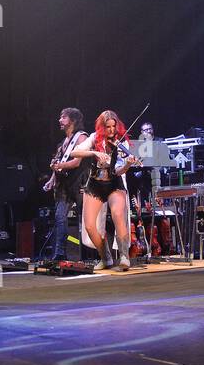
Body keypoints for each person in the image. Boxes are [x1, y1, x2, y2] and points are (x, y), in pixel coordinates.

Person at [71, 110, 140, 271]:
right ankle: (106, 257)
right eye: (107, 127)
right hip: (95, 183)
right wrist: (94, 152)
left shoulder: (122, 142)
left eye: (113, 126)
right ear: (102, 127)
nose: (111, 130)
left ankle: (124, 256)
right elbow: (74, 152)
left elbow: (119, 171)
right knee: (89, 225)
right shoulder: (94, 138)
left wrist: (128, 164)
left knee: (117, 215)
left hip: (114, 183)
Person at [42, 108, 85, 262]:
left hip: (79, 183)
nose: (60, 120)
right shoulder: (62, 143)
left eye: (63, 117)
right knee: (60, 218)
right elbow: (59, 165)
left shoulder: (81, 137)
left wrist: (60, 165)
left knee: (86, 219)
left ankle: (91, 253)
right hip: (63, 185)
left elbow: (76, 162)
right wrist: (52, 179)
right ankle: (60, 253)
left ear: (73, 120)